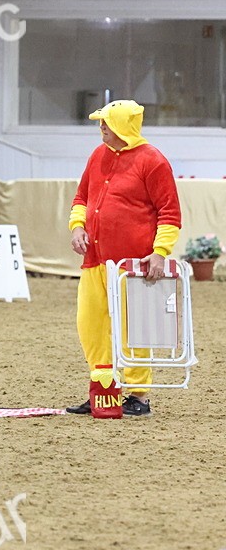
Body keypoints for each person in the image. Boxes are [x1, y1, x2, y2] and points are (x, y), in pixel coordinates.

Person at [65, 100, 181, 418]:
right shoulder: (97, 155)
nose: (101, 126)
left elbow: (170, 213)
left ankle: (138, 395)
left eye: (107, 121)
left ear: (122, 125)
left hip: (134, 266)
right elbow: (81, 197)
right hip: (95, 260)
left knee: (134, 329)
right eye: (101, 121)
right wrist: (77, 227)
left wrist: (160, 253)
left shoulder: (153, 161)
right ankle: (104, 390)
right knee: (90, 325)